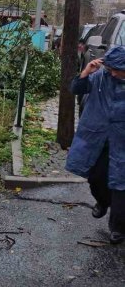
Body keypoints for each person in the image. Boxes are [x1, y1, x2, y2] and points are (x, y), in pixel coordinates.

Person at [66, 45, 125, 244]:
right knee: (96, 177)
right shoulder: (101, 77)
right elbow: (76, 89)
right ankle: (102, 201)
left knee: (121, 185)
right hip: (97, 136)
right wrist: (85, 72)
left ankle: (117, 228)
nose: (113, 72)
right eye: (111, 68)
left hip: (121, 140)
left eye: (118, 69)